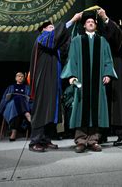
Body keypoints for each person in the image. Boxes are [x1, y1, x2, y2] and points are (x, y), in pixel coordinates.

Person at [61, 11, 117, 153]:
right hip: (82, 82)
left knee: (96, 109)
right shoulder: (77, 41)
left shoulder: (102, 41)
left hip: (98, 83)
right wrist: (71, 76)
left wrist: (108, 74)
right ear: (84, 25)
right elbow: (71, 60)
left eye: (93, 21)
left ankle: (93, 140)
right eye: (88, 22)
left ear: (96, 25)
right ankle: (80, 141)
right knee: (81, 109)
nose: (90, 23)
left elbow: (108, 60)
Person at [28, 13, 82, 152]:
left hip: (52, 82)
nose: (53, 28)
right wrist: (71, 20)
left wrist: (74, 30)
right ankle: (35, 141)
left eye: (53, 27)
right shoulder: (42, 39)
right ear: (43, 30)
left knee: (50, 110)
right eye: (50, 27)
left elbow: (64, 46)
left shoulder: (52, 45)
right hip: (43, 81)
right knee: (42, 109)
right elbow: (56, 36)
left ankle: (45, 139)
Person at [97, 8, 122, 146]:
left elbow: (116, 39)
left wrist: (105, 18)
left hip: (116, 69)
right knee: (103, 102)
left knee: (117, 103)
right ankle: (103, 134)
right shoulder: (102, 36)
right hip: (103, 70)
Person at [0, 72, 32, 141]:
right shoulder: (11, 87)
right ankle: (27, 114)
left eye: (22, 76)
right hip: (11, 104)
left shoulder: (27, 88)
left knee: (19, 99)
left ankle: (14, 132)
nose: (20, 77)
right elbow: (5, 98)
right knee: (16, 99)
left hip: (24, 104)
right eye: (18, 76)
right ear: (16, 78)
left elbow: (30, 99)